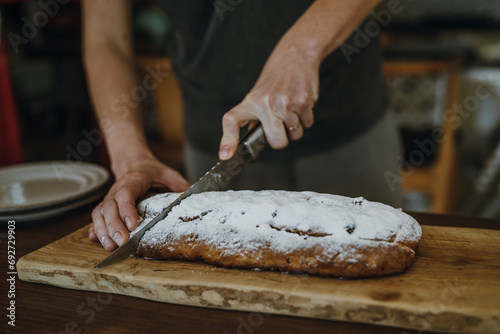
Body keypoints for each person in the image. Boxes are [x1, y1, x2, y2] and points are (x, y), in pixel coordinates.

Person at [82, 0, 401, 252]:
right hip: (215, 143)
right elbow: (106, 37)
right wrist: (130, 157)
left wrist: (302, 49)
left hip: (348, 123)